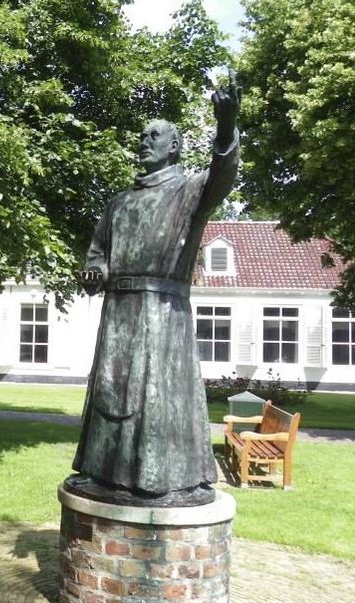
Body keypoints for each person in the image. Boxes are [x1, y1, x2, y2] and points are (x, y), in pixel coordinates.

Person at [70, 73, 241, 506]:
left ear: (174, 147)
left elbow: (224, 173)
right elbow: (97, 253)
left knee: (158, 398)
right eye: (142, 136)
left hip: (163, 311)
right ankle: (105, 475)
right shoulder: (119, 203)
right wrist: (96, 270)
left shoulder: (190, 190)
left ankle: (162, 481)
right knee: (111, 390)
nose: (144, 142)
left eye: (154, 136)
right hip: (118, 312)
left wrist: (226, 125)